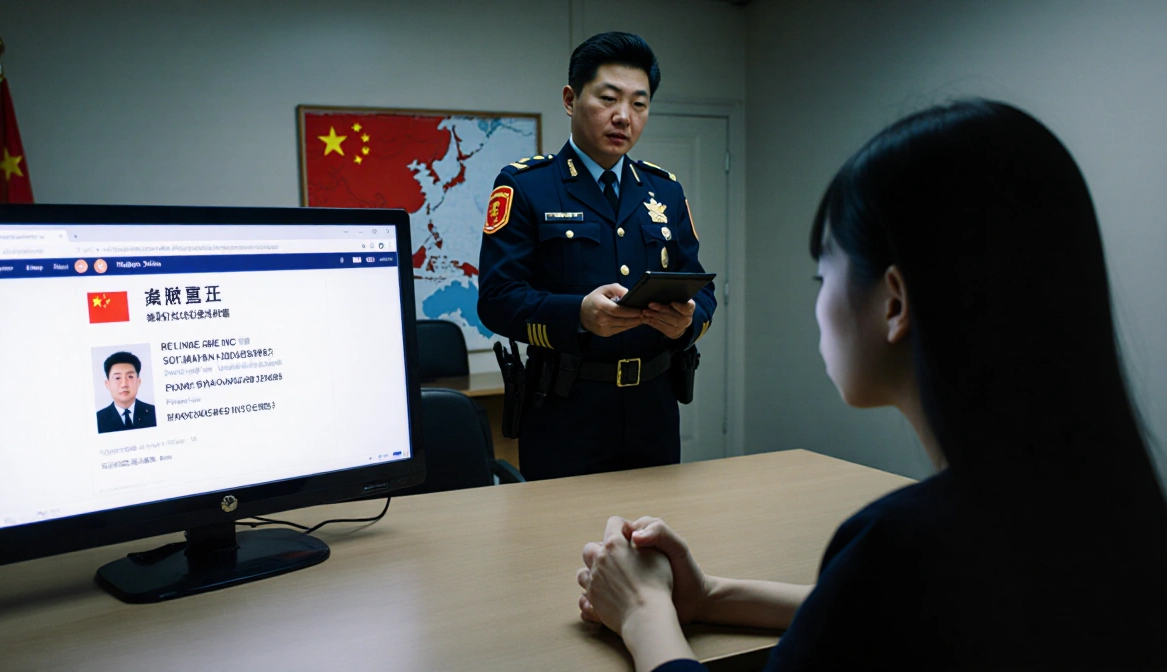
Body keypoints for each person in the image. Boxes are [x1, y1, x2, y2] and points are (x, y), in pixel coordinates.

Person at [574, 100, 1167, 670]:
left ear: (894, 302)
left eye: (822, 270)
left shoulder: (902, 544)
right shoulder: (1104, 510)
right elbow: (893, 613)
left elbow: (890, 592)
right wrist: (710, 596)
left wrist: (643, 612)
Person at [477, 32, 717, 481]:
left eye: (639, 104)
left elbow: (705, 294)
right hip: (566, 410)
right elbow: (496, 299)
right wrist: (579, 315)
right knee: (563, 547)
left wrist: (686, 323)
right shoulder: (527, 186)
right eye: (608, 98)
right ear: (571, 99)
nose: (623, 116)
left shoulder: (664, 190)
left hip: (654, 409)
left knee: (651, 543)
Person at [96, 351, 157, 433]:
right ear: (107, 384)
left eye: (130, 377)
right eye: (117, 378)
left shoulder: (154, 412)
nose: (124, 384)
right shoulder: (98, 419)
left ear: (138, 382)